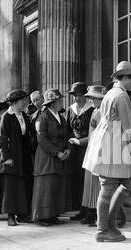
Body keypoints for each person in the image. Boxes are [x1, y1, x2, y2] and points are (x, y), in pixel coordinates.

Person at [83, 61, 131, 242]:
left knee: (128, 182)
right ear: (125, 78)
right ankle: (103, 229)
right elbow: (128, 126)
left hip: (109, 139)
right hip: (114, 142)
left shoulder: (112, 92)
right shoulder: (121, 96)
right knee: (109, 185)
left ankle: (109, 225)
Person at [0, 90, 33, 226]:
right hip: (10, 156)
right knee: (10, 187)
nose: (25, 102)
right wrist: (6, 157)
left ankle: (22, 214)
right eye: (22, 100)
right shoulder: (6, 116)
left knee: (22, 185)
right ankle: (10, 216)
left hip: (22, 155)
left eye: (25, 100)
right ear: (13, 103)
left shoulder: (23, 115)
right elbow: (1, 138)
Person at [31, 89, 71, 227]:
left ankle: (53, 215)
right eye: (59, 101)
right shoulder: (42, 117)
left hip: (59, 155)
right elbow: (42, 139)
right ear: (52, 103)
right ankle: (42, 217)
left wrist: (67, 149)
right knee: (46, 186)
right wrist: (56, 153)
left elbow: (66, 135)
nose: (61, 103)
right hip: (46, 157)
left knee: (55, 185)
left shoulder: (60, 117)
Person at [69, 85, 106, 227]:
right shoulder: (96, 110)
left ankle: (95, 214)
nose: (91, 100)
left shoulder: (102, 111)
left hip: (96, 149)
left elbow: (97, 134)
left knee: (95, 183)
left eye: (93, 98)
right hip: (92, 148)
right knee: (89, 183)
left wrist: (81, 141)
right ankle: (89, 212)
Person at [66, 82, 94, 221]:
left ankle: (90, 211)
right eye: (75, 96)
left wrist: (81, 141)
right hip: (75, 149)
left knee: (86, 179)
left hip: (88, 147)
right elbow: (67, 129)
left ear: (86, 96)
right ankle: (81, 210)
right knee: (77, 178)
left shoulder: (92, 109)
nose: (77, 98)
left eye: (80, 95)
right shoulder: (70, 110)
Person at [28, 91, 45, 156]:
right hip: (37, 149)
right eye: (33, 101)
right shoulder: (33, 117)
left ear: (43, 98)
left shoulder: (51, 112)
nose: (36, 103)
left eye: (37, 100)